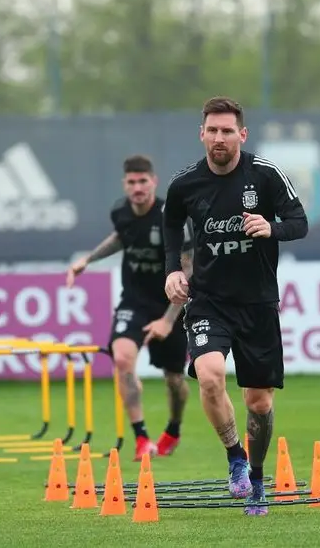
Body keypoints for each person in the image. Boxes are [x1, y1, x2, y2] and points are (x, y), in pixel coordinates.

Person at [162, 96, 309, 516]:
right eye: (212, 130)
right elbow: (170, 224)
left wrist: (271, 227)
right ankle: (235, 457)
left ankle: (258, 478)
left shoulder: (265, 175)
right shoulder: (185, 183)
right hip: (209, 301)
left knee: (258, 402)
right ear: (201, 134)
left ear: (242, 134)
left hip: (258, 303)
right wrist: (172, 271)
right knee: (209, 376)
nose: (220, 138)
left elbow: (299, 223)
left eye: (228, 130)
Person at [66, 154, 194, 462]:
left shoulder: (172, 217)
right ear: (125, 184)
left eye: (143, 181)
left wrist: (168, 320)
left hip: (170, 303)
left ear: (154, 182)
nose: (138, 188)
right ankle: (141, 438)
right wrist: (88, 260)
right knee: (122, 359)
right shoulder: (120, 211)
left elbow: (189, 269)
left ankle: (173, 429)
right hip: (134, 302)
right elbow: (121, 237)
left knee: (174, 380)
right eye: (132, 182)